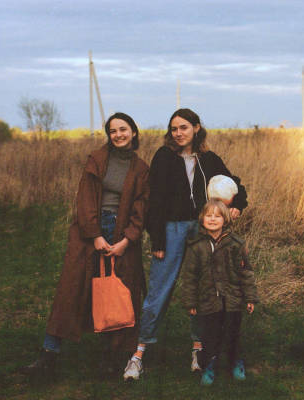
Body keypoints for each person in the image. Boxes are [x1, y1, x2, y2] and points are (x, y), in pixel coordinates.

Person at [122, 108, 248, 380]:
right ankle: (139, 353)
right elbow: (153, 200)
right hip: (171, 231)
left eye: (184, 128)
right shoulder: (164, 157)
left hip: (201, 232)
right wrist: (157, 238)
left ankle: (198, 349)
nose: (178, 133)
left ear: (196, 128)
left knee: (202, 291)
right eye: (174, 129)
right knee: (159, 291)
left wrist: (236, 205)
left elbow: (234, 184)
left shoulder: (209, 159)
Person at [22, 112, 149, 378]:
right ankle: (49, 355)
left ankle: (109, 356)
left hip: (122, 231)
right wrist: (94, 234)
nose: (118, 135)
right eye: (113, 131)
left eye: (123, 129)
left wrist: (127, 240)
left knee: (118, 292)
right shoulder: (98, 159)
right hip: (89, 231)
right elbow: (86, 200)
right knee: (71, 290)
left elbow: (141, 207)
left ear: (134, 132)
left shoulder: (140, 169)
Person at [180, 199, 258, 385]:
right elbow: (189, 276)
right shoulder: (196, 245)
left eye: (218, 216)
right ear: (202, 218)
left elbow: (246, 272)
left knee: (232, 333)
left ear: (226, 220)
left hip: (232, 299)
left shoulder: (236, 244)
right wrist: (190, 302)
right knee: (209, 336)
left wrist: (250, 298)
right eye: (209, 215)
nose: (213, 219)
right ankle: (209, 366)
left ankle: (235, 362)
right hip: (208, 300)